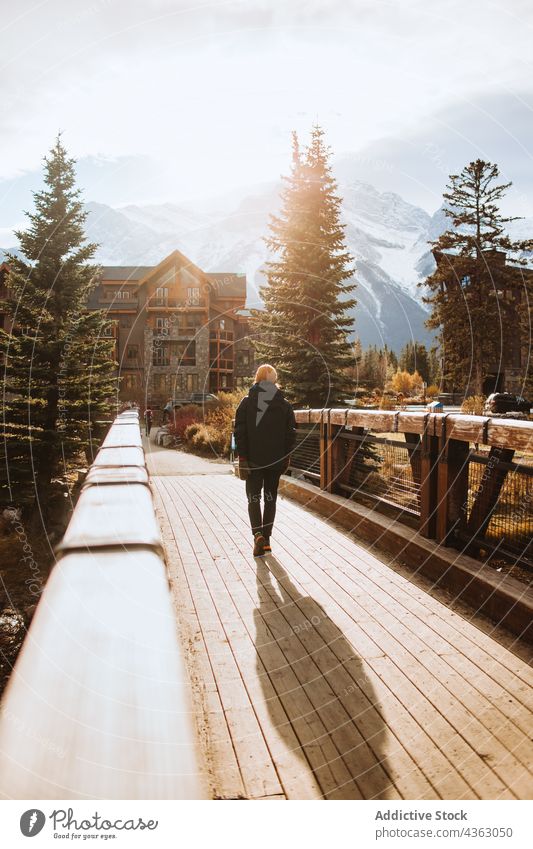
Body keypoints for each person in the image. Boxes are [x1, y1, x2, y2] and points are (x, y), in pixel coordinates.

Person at [234, 364, 297, 557]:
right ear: (274, 381)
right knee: (270, 499)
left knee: (254, 498)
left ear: (258, 379)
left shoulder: (246, 402)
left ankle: (258, 535)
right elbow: (290, 434)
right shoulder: (285, 405)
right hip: (275, 461)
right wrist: (286, 456)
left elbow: (240, 432)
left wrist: (242, 457)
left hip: (253, 461)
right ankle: (267, 541)